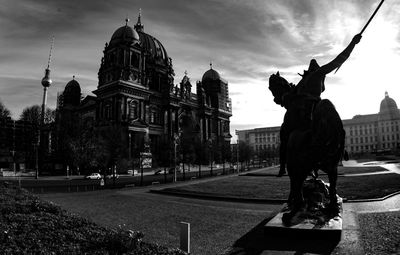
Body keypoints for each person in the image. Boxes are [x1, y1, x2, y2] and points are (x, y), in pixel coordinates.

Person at [277, 33, 362, 177]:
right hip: (311, 107)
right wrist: (353, 43)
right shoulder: (314, 75)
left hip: (306, 108)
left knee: (286, 132)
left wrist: (352, 44)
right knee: (332, 122)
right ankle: (340, 147)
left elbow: (339, 59)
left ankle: (284, 163)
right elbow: (338, 60)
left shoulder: (307, 78)